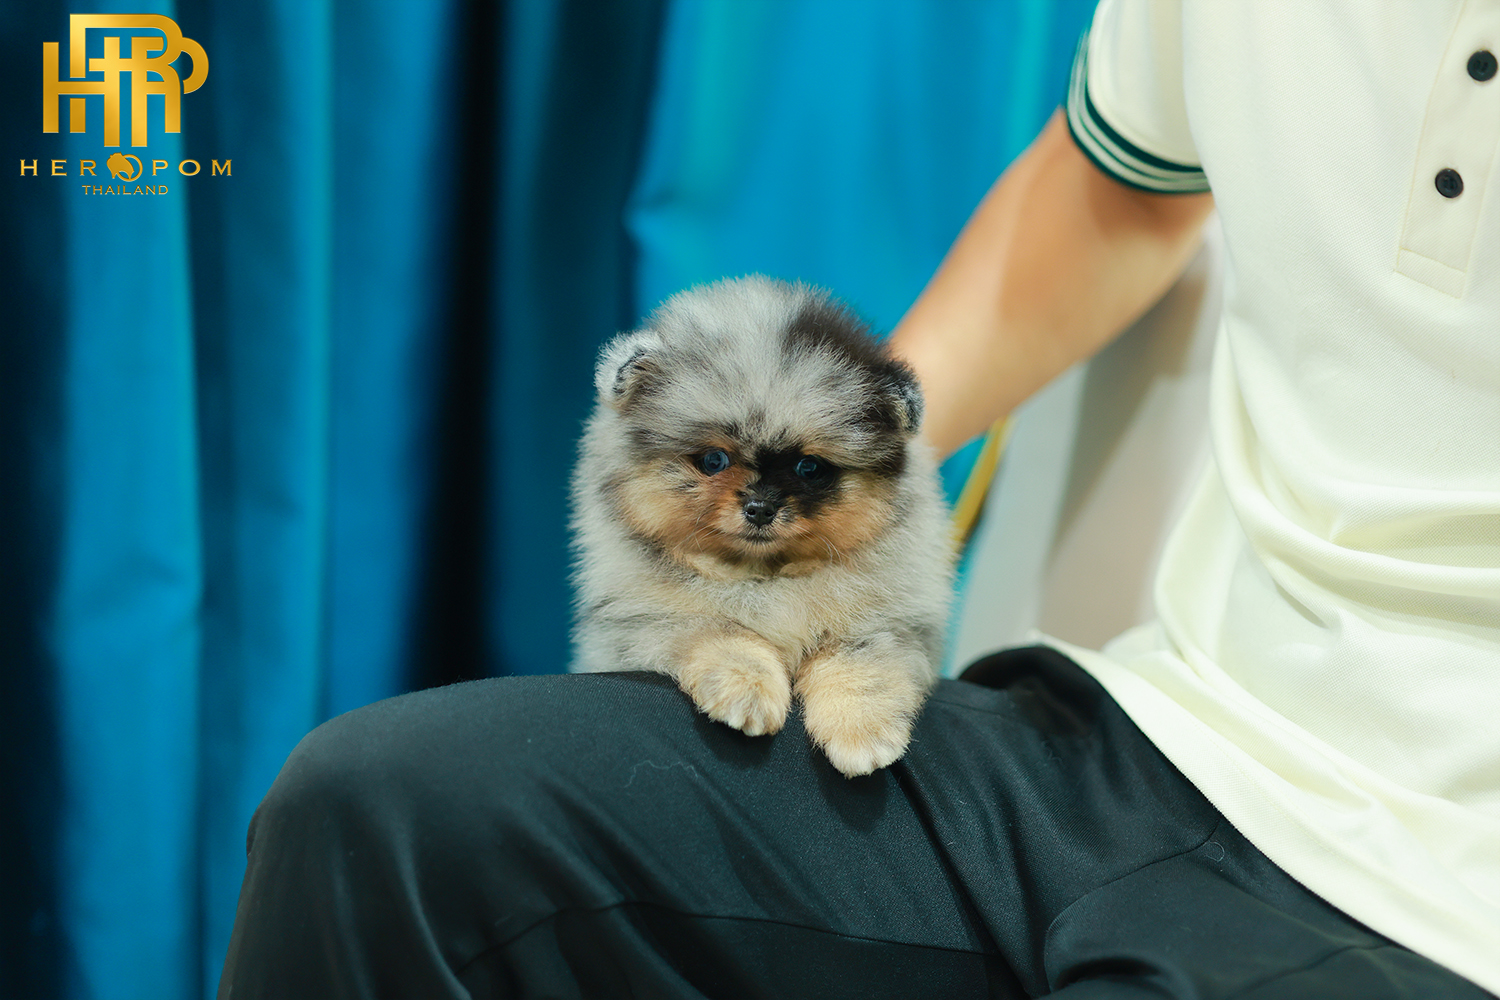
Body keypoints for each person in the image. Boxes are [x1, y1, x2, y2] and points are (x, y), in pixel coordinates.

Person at [217, 0, 1499, 996]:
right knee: (374, 814)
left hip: (1450, 893)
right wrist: (848, 448)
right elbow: (1119, 190)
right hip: (1153, 737)